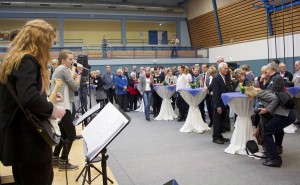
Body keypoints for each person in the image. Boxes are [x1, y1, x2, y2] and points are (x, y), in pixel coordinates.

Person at [0, 19, 66, 184]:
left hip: (18, 141)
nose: (49, 51)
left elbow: (22, 97)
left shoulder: (13, 60)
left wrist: (44, 99)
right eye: (49, 46)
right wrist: (53, 109)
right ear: (40, 43)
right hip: (29, 143)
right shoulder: (27, 61)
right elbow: (29, 98)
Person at [52, 49, 83, 170]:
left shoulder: (61, 69)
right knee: (71, 134)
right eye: (70, 59)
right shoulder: (63, 69)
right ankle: (64, 161)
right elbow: (75, 86)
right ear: (63, 60)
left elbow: (71, 77)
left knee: (64, 133)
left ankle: (55, 157)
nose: (73, 61)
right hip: (63, 106)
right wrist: (80, 72)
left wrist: (75, 70)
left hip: (60, 105)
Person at [254, 90, 296, 167]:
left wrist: (267, 110)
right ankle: (274, 154)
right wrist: (258, 129)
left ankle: (274, 159)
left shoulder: (260, 93)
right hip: (285, 115)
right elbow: (263, 118)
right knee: (268, 130)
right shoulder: (256, 99)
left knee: (266, 132)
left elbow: (275, 99)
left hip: (286, 115)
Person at [211, 63, 230, 144]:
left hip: (224, 103)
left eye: (227, 68)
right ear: (220, 69)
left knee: (222, 120)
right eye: (225, 68)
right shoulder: (216, 78)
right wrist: (217, 106)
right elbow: (215, 93)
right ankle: (215, 137)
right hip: (218, 104)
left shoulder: (224, 77)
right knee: (217, 121)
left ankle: (219, 135)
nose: (227, 70)